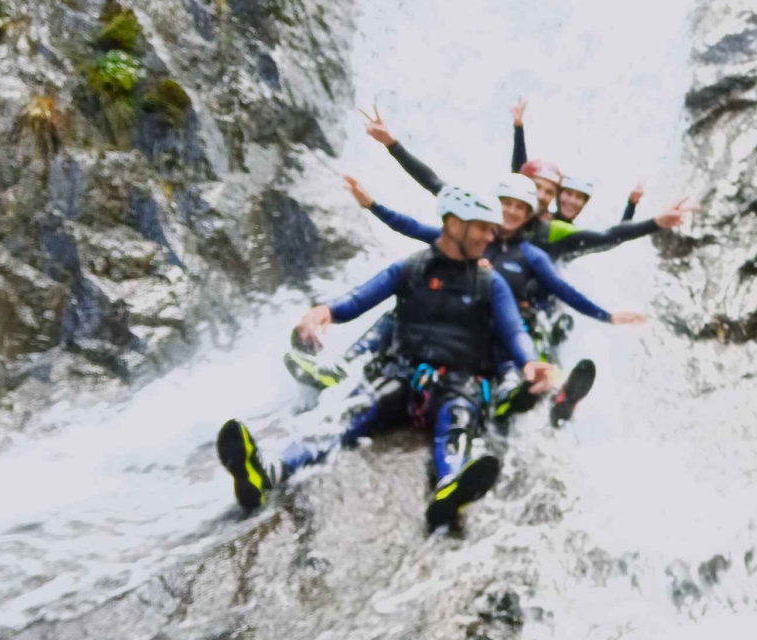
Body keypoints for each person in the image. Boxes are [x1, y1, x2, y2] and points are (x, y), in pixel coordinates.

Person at [220, 181, 554, 531]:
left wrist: (529, 362)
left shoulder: (491, 282)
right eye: (483, 228)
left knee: (456, 422)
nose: (490, 237)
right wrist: (323, 312)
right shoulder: (411, 268)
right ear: (455, 224)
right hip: (402, 375)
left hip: (460, 383)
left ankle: (450, 489)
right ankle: (267, 471)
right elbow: (359, 298)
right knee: (348, 416)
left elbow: (514, 331)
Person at [341, 172, 647, 424]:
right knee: (402, 316)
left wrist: (606, 315)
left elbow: (563, 288)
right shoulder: (467, 236)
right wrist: (372, 205)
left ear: (528, 215)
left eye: (519, 208)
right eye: (506, 205)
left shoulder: (531, 252)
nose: (510, 213)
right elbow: (415, 225)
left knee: (520, 341)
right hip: (467, 323)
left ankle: (536, 394)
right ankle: (345, 365)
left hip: (505, 324)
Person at [359, 105, 697, 259]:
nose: (540, 196)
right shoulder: (488, 209)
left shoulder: (552, 231)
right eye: (535, 189)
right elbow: (435, 183)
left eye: (548, 193)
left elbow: (608, 237)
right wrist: (392, 144)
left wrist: (651, 219)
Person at [506, 97, 643, 222]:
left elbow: (611, 238)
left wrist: (631, 204)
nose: (541, 196)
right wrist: (518, 126)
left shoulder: (555, 226)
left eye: (548, 192)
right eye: (569, 194)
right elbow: (520, 175)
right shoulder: (510, 213)